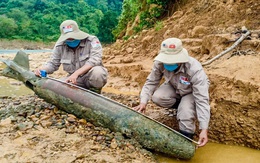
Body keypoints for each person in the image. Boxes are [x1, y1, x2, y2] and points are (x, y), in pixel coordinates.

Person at [133, 38, 210, 147]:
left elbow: (202, 99)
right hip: (174, 86)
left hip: (192, 91)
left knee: (185, 113)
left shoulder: (194, 69)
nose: (168, 63)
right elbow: (151, 82)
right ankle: (182, 106)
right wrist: (143, 102)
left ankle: (185, 144)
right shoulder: (160, 63)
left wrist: (204, 128)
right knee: (158, 97)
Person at [34, 20, 108, 93]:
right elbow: (53, 64)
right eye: (68, 38)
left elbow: (95, 60)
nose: (70, 39)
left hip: (90, 77)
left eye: (72, 37)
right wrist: (42, 69)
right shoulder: (60, 45)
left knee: (98, 73)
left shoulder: (92, 41)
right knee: (57, 87)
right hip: (74, 80)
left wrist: (77, 73)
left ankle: (95, 93)